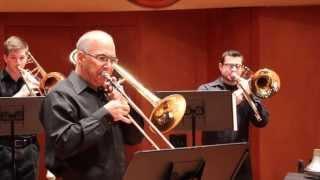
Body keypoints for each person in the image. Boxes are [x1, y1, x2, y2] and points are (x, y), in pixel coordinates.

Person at [40, 30, 144, 180]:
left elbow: (135, 138)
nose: (109, 66)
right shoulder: (59, 95)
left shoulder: (108, 93)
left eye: (112, 60)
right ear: (81, 57)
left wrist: (125, 105)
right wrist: (105, 115)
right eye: (102, 58)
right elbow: (63, 144)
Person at [198, 50, 269, 180]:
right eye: (230, 65)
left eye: (238, 66)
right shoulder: (206, 89)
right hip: (213, 157)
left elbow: (262, 121)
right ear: (221, 67)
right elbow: (204, 119)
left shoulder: (247, 90)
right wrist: (231, 103)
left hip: (241, 158)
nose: (234, 69)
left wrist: (252, 95)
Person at [0, 36, 39, 180]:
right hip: (3, 150)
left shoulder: (34, 81)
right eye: (13, 58)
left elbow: (45, 115)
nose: (18, 63)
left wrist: (43, 94)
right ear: (5, 58)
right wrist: (22, 93)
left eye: (22, 58)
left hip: (30, 149)